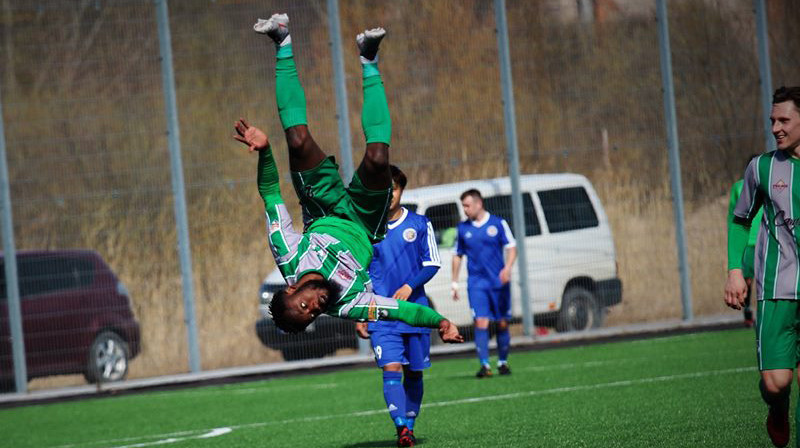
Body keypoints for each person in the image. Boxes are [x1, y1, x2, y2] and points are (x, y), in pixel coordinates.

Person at [234, 13, 463, 344]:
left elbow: (270, 193)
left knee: (297, 140)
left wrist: (266, 151)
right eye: (312, 314)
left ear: (292, 286)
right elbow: (400, 311)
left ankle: (282, 40)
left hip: (322, 209)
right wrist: (440, 322)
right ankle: (369, 59)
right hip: (364, 222)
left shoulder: (287, 255)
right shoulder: (349, 304)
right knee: (378, 158)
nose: (315, 307)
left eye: (304, 305)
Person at [725, 86, 800, 448]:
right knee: (776, 382)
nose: (775, 128)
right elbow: (740, 220)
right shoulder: (762, 168)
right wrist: (734, 270)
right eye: (772, 120)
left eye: (784, 120)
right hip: (776, 289)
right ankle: (777, 409)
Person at [355, 165, 440, 447]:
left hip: (414, 312)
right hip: (380, 315)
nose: (389, 194)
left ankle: (411, 425)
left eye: (394, 188)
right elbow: (359, 272)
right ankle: (402, 428)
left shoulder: (419, 224)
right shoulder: (366, 230)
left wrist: (409, 286)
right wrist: (360, 312)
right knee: (391, 368)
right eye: (383, 189)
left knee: (414, 372)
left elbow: (432, 263)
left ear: (402, 190)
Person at [451, 189, 517, 377]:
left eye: (467, 205)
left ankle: (503, 362)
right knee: (481, 321)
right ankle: (485, 365)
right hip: (476, 283)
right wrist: (454, 283)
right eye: (463, 205)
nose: (464, 209)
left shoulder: (498, 223)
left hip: (498, 282)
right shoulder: (463, 228)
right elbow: (457, 255)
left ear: (479, 204)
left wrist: (508, 267)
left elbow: (511, 247)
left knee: (502, 323)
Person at [726, 154, 763, 327]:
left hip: (764, 241)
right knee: (746, 281)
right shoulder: (739, 188)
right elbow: (733, 218)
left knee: (764, 280)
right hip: (747, 244)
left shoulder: (769, 185)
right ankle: (748, 311)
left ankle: (764, 315)